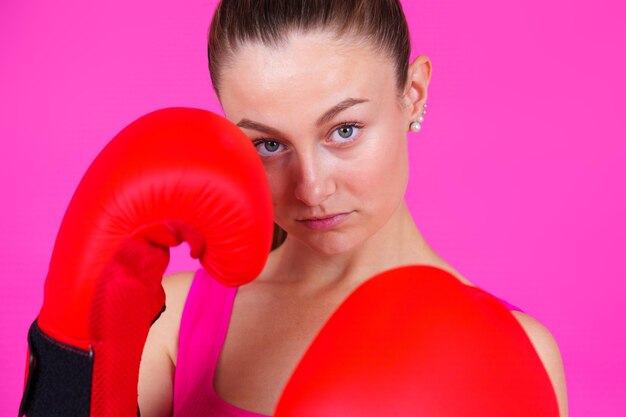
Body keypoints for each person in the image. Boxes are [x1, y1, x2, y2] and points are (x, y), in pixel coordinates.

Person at [137, 1, 568, 416]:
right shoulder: (168, 318)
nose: (311, 188)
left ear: (413, 94)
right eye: (269, 145)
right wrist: (76, 350)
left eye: (344, 130)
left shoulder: (513, 350)